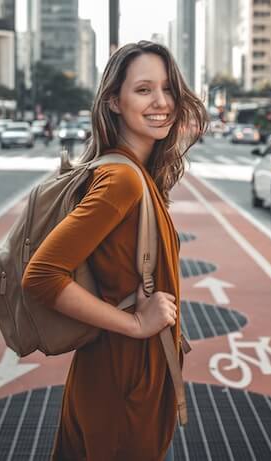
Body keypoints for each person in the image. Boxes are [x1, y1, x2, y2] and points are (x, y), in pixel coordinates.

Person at [21, 41, 207, 460]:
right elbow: (41, 276)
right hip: (121, 379)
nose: (161, 102)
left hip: (127, 374)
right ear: (113, 102)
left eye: (168, 89)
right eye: (144, 90)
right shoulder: (121, 180)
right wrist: (138, 325)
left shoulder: (136, 173)